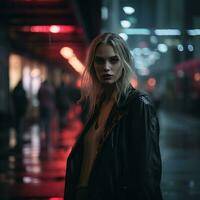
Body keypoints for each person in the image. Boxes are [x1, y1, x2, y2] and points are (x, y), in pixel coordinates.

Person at [64, 32, 162, 200]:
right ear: (93, 65)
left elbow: (146, 173)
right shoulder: (99, 103)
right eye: (100, 61)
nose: (106, 67)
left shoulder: (138, 105)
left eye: (113, 60)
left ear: (124, 63)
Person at [12, 79, 28, 150]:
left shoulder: (15, 90)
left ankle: (18, 136)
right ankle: (19, 137)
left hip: (17, 110)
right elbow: (25, 100)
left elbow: (13, 98)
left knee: (18, 123)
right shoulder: (22, 91)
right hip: (21, 110)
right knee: (20, 123)